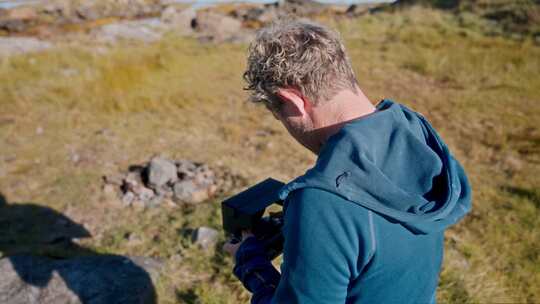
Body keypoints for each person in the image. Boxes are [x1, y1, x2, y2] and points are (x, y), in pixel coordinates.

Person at [223, 19, 471, 304]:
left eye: (281, 117)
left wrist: (250, 262)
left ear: (293, 101)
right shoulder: (416, 134)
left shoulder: (322, 202)